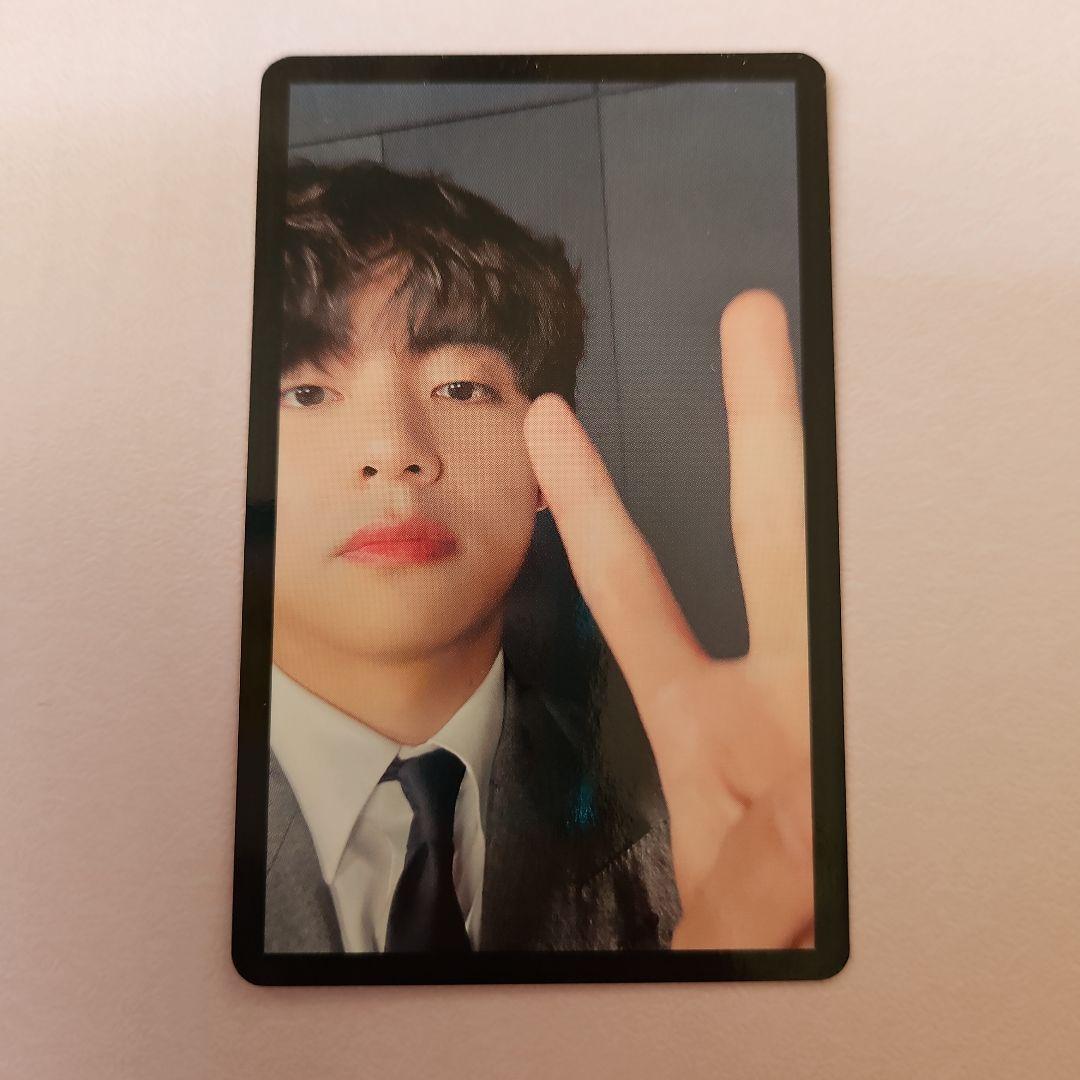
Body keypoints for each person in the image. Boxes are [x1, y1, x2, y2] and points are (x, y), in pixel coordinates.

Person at [265, 161, 813, 953]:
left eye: (460, 389)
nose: (393, 451)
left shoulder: (704, 817)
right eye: (306, 393)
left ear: (546, 466)